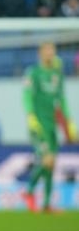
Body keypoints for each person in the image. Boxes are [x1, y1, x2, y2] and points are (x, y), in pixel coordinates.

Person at [22, 42, 76, 213]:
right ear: (40, 53)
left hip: (52, 124)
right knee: (48, 160)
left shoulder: (57, 74)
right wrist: (30, 115)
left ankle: (46, 203)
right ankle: (29, 191)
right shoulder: (33, 73)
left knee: (51, 165)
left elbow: (62, 99)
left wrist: (69, 121)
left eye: (52, 50)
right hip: (39, 124)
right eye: (47, 50)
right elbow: (27, 95)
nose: (50, 53)